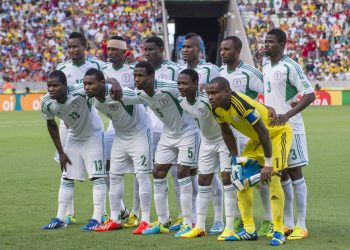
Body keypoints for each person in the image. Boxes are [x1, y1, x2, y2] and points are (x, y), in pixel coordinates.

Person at [112, 61, 200, 237]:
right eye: (135, 75)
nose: (136, 79)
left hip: (188, 132)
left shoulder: (170, 87)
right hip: (168, 135)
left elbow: (191, 90)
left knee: (183, 172)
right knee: (158, 172)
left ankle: (189, 221)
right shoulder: (140, 93)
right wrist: (113, 82)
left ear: (151, 77)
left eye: (140, 76)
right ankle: (162, 220)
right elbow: (121, 94)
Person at [205, 76, 292, 246]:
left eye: (214, 93)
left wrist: (267, 164)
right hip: (258, 139)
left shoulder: (240, 104)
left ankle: (279, 230)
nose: (210, 97)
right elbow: (227, 133)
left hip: (276, 134)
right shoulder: (216, 108)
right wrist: (235, 158)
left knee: (273, 177)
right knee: (238, 178)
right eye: (209, 93)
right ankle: (249, 229)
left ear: (227, 92)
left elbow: (265, 133)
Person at [83, 68, 153, 234]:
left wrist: (114, 82)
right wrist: (112, 79)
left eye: (91, 84)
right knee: (114, 176)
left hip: (140, 133)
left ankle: (146, 220)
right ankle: (115, 219)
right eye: (85, 84)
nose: (87, 87)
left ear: (101, 83)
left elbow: (146, 96)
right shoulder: (91, 96)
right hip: (120, 136)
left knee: (142, 174)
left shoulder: (121, 93)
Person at [263, 28, 315, 240]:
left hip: (291, 127)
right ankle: (288, 223)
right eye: (265, 41)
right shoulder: (266, 66)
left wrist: (287, 113)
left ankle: (301, 225)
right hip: (273, 130)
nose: (266, 45)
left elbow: (310, 94)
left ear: (283, 44)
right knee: (281, 173)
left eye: (271, 42)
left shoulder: (290, 66)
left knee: (295, 173)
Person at [219, 36, 273, 236]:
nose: (223, 52)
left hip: (250, 133)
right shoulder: (220, 72)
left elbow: (267, 97)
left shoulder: (250, 73)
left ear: (237, 50)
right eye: (221, 49)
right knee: (236, 177)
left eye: (227, 49)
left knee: (259, 179)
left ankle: (268, 219)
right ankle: (244, 218)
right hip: (231, 133)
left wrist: (269, 109)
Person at [41, 70, 106, 231]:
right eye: (49, 85)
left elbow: (101, 88)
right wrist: (61, 152)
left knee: (97, 176)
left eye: (55, 85)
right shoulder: (47, 102)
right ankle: (60, 218)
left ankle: (97, 218)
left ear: (65, 85)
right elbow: (51, 124)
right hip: (74, 137)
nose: (51, 89)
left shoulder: (80, 91)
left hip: (93, 135)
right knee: (66, 176)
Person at [176, 69, 237, 240]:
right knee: (203, 179)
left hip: (224, 139)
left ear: (196, 84)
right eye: (179, 83)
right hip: (207, 141)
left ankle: (229, 226)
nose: (181, 87)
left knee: (227, 178)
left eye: (185, 83)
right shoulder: (182, 101)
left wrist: (234, 152)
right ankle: (200, 226)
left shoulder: (208, 99)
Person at [55, 32, 106, 224]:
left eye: (75, 46)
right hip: (67, 124)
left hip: (89, 122)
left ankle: (102, 213)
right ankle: (68, 213)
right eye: (69, 47)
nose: (72, 50)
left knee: (99, 171)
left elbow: (106, 84)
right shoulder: (62, 68)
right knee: (66, 168)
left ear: (85, 46)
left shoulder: (98, 66)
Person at [180, 32, 223, 232]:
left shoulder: (210, 69)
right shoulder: (181, 71)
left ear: (199, 50)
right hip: (192, 128)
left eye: (189, 46)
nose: (185, 50)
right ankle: (193, 217)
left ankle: (219, 219)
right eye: (183, 46)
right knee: (194, 175)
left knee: (213, 176)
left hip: (213, 129)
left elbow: (223, 92)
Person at [144, 36, 183, 231]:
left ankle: (183, 215)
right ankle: (162, 218)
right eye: (145, 50)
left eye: (151, 49)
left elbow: (185, 94)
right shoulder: (143, 71)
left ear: (161, 48)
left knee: (178, 173)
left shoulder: (175, 70)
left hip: (175, 129)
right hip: (152, 129)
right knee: (155, 172)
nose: (148, 53)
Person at [102, 35, 136, 226]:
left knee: (141, 172)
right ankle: (121, 209)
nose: (111, 52)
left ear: (124, 52)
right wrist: (111, 80)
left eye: (115, 49)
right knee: (107, 168)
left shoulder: (133, 69)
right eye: (109, 49)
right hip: (113, 125)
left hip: (135, 125)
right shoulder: (102, 69)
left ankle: (137, 213)